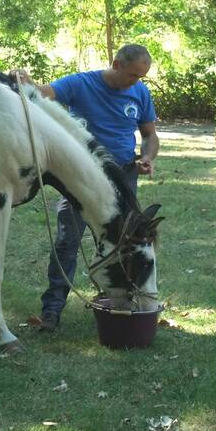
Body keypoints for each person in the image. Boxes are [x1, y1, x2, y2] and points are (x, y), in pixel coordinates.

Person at [17, 44, 160, 331]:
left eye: (141, 77)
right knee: (68, 241)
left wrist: (147, 156)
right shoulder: (81, 83)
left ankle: (119, 299)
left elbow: (150, 135)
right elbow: (44, 94)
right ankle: (52, 310)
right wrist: (26, 80)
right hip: (82, 179)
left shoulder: (140, 92)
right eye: (133, 75)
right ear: (116, 64)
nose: (136, 82)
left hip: (124, 177)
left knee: (124, 243)